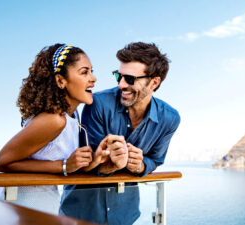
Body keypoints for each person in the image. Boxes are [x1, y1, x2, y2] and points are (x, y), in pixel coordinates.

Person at [59, 42, 180, 225]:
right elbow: (87, 162)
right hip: (79, 214)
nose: (121, 84)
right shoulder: (97, 103)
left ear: (154, 82)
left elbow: (154, 160)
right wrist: (113, 164)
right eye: (119, 76)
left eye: (130, 79)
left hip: (124, 215)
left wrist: (138, 165)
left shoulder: (169, 119)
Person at [0, 43, 109, 215]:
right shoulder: (54, 120)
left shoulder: (72, 116)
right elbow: (1, 162)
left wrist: (91, 162)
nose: (93, 78)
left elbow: (58, 163)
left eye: (92, 71)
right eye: (84, 72)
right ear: (61, 80)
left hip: (42, 208)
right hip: (19, 208)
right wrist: (64, 166)